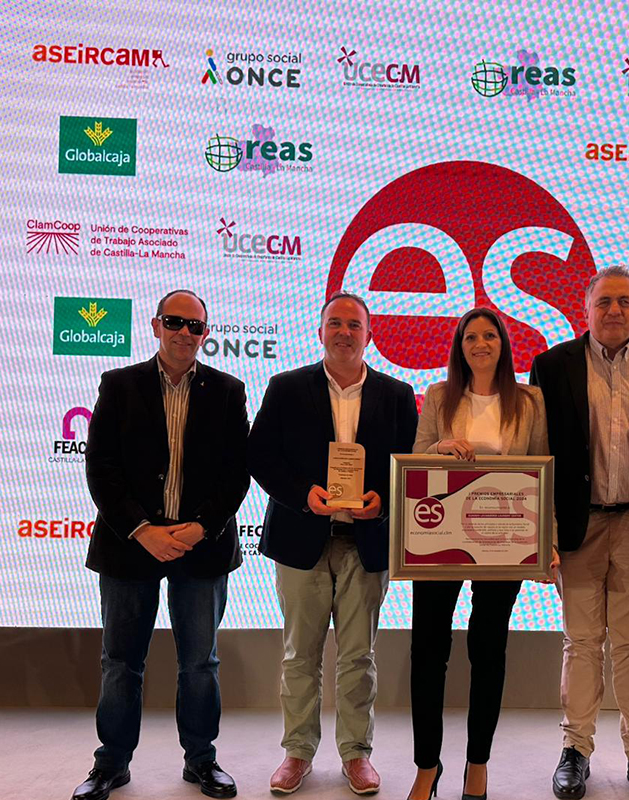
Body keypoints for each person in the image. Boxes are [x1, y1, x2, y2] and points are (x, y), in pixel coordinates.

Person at [74, 289, 249, 800]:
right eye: (175, 322)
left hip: (202, 543)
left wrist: (200, 528)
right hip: (130, 544)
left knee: (200, 662)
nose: (184, 333)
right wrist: (142, 530)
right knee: (120, 661)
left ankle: (201, 762)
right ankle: (110, 765)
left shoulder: (228, 390)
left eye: (195, 326)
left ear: (205, 334)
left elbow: (237, 472)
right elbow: (101, 469)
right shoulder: (119, 384)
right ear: (155, 326)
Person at [247, 291, 419, 795]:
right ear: (319, 331)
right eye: (335, 323)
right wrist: (305, 495)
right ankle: (297, 752)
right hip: (301, 538)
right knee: (300, 653)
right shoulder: (285, 387)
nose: (344, 332)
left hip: (365, 539)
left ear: (370, 336)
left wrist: (382, 501)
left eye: (354, 325)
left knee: (358, 656)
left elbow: (408, 466)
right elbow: (261, 458)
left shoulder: (397, 393)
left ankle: (356, 754)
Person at [530, 265, 629, 800]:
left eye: (624, 302)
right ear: (586, 308)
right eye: (604, 302)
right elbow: (539, 452)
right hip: (578, 526)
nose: (614, 311)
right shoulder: (552, 364)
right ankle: (575, 751)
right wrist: (540, 529)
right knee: (581, 642)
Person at [405, 308, 558, 800]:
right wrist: (441, 448)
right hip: (438, 541)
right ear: (460, 346)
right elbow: (415, 460)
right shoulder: (437, 396)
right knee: (429, 652)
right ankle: (427, 766)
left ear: (503, 343)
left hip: (503, 543)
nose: (480, 343)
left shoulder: (530, 400)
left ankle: (477, 765)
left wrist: (547, 541)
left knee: (488, 651)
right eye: (470, 336)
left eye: (489, 335)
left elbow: (542, 475)